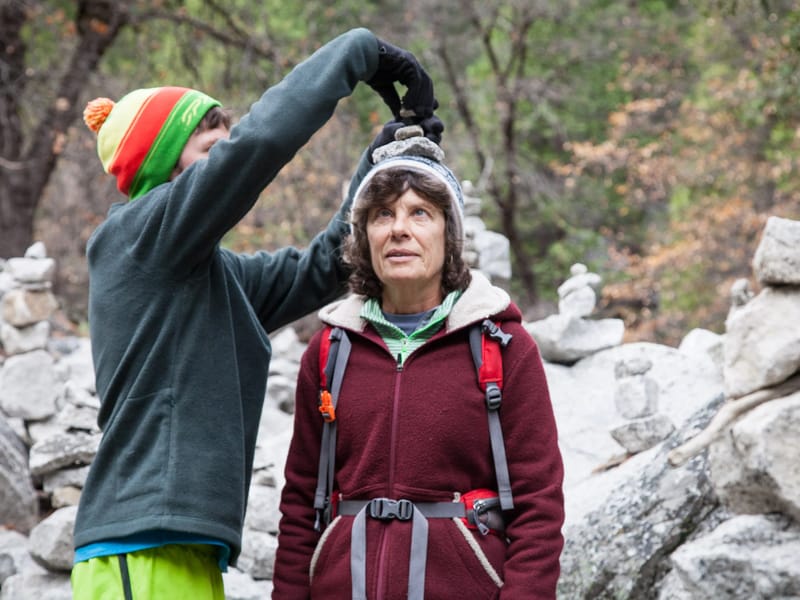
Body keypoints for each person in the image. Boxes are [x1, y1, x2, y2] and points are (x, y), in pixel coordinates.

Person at [70, 28, 443, 600]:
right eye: (210, 151)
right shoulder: (136, 238)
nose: (226, 160)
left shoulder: (208, 275)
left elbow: (326, 266)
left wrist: (384, 156)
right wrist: (358, 52)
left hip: (179, 549)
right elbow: (259, 144)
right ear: (164, 165)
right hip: (138, 550)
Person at [272, 138, 565, 598]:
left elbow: (539, 507)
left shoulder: (503, 347)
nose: (398, 230)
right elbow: (298, 505)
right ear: (364, 235)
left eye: (419, 213)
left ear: (449, 234)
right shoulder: (329, 349)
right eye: (382, 214)